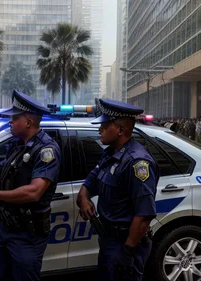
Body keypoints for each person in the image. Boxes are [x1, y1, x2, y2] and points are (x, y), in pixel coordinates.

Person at [76, 99, 159, 281]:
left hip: (127, 244)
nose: (100, 129)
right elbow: (88, 185)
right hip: (108, 240)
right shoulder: (109, 154)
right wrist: (84, 200)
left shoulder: (137, 163)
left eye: (105, 126)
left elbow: (144, 216)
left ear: (120, 130)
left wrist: (128, 252)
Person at [0, 90, 61, 281]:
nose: (10, 121)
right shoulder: (17, 145)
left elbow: (34, 192)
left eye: (14, 118)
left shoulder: (46, 150)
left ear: (28, 122)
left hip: (27, 234)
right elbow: (5, 171)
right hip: (6, 227)